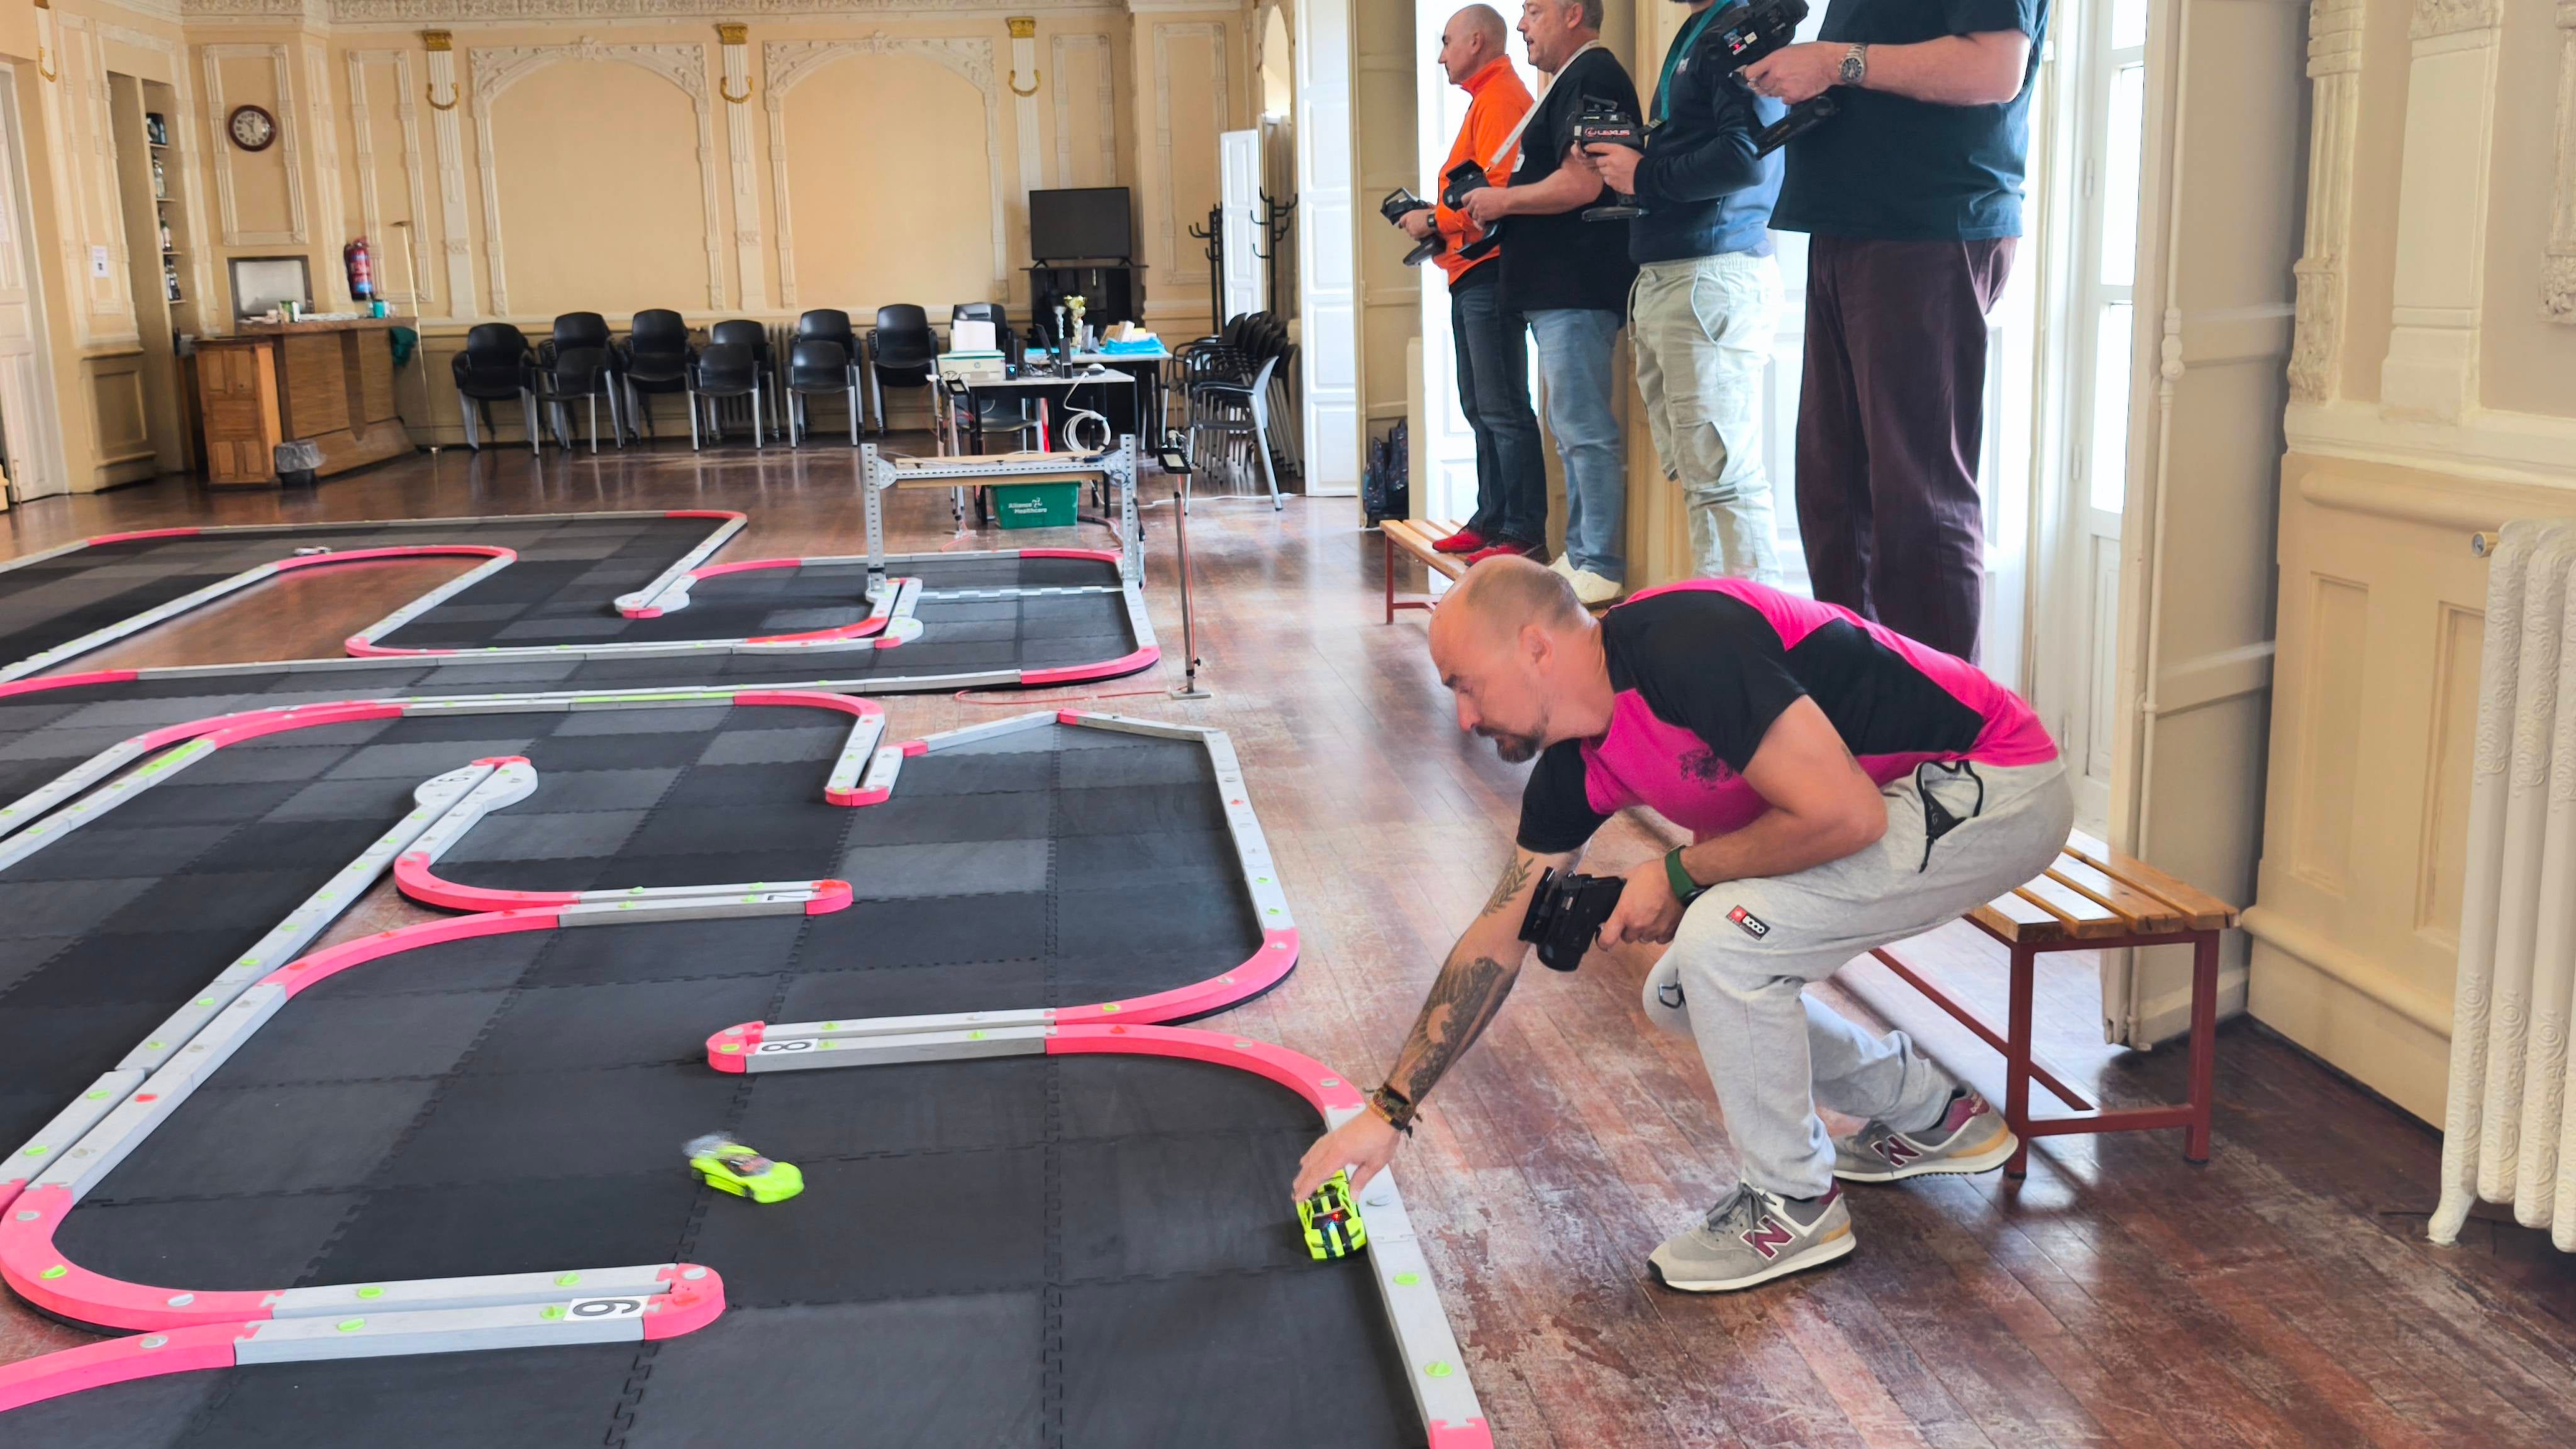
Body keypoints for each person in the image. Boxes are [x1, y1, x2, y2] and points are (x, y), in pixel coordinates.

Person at [1291, 555, 2071, 1292]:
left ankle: (1792, 1204)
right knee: (1683, 987)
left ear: (1535, 648)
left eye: (1467, 685)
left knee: (1719, 943)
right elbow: (1500, 933)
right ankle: (1933, 1111)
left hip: (1994, 779)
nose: (1462, 717)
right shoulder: (1575, 759)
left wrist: (1676, 874)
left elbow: (1845, 815)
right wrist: (1389, 1110)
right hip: (1890, 804)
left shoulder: (1685, 646)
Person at [1742, 0, 2049, 660]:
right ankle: (1866, 709)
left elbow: (1996, 69)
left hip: (1926, 223)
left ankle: (1939, 738)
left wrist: (1831, 62)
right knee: (1834, 494)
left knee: (1917, 501)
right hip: (1856, 221)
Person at [1581, 0, 1787, 585]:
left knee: (1725, 478)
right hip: (1680, 274)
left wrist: (1643, 175)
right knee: (1705, 475)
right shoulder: (1704, 29)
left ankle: (1751, 640)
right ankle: (1724, 629)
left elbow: (1748, 160)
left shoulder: (1740, 29)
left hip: (1710, 274)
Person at [1459, 0, 1640, 608]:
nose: (1521, 25)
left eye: (1532, 11)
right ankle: (1583, 552)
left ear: (1571, 13)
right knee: (1568, 428)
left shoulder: (1595, 76)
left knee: (1583, 429)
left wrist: (1502, 203)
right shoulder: (1570, 80)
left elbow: (1584, 182)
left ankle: (1601, 560)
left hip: (1577, 286)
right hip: (1557, 289)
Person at [1407, 6, 1549, 565]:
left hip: (1490, 270)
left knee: (1503, 406)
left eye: (1446, 43)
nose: (1441, 55)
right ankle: (1492, 517)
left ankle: (1521, 530)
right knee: (1479, 404)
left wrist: (1434, 222)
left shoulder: (1501, 99)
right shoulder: (1487, 101)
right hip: (1470, 272)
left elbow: (1494, 192)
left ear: (1475, 40)